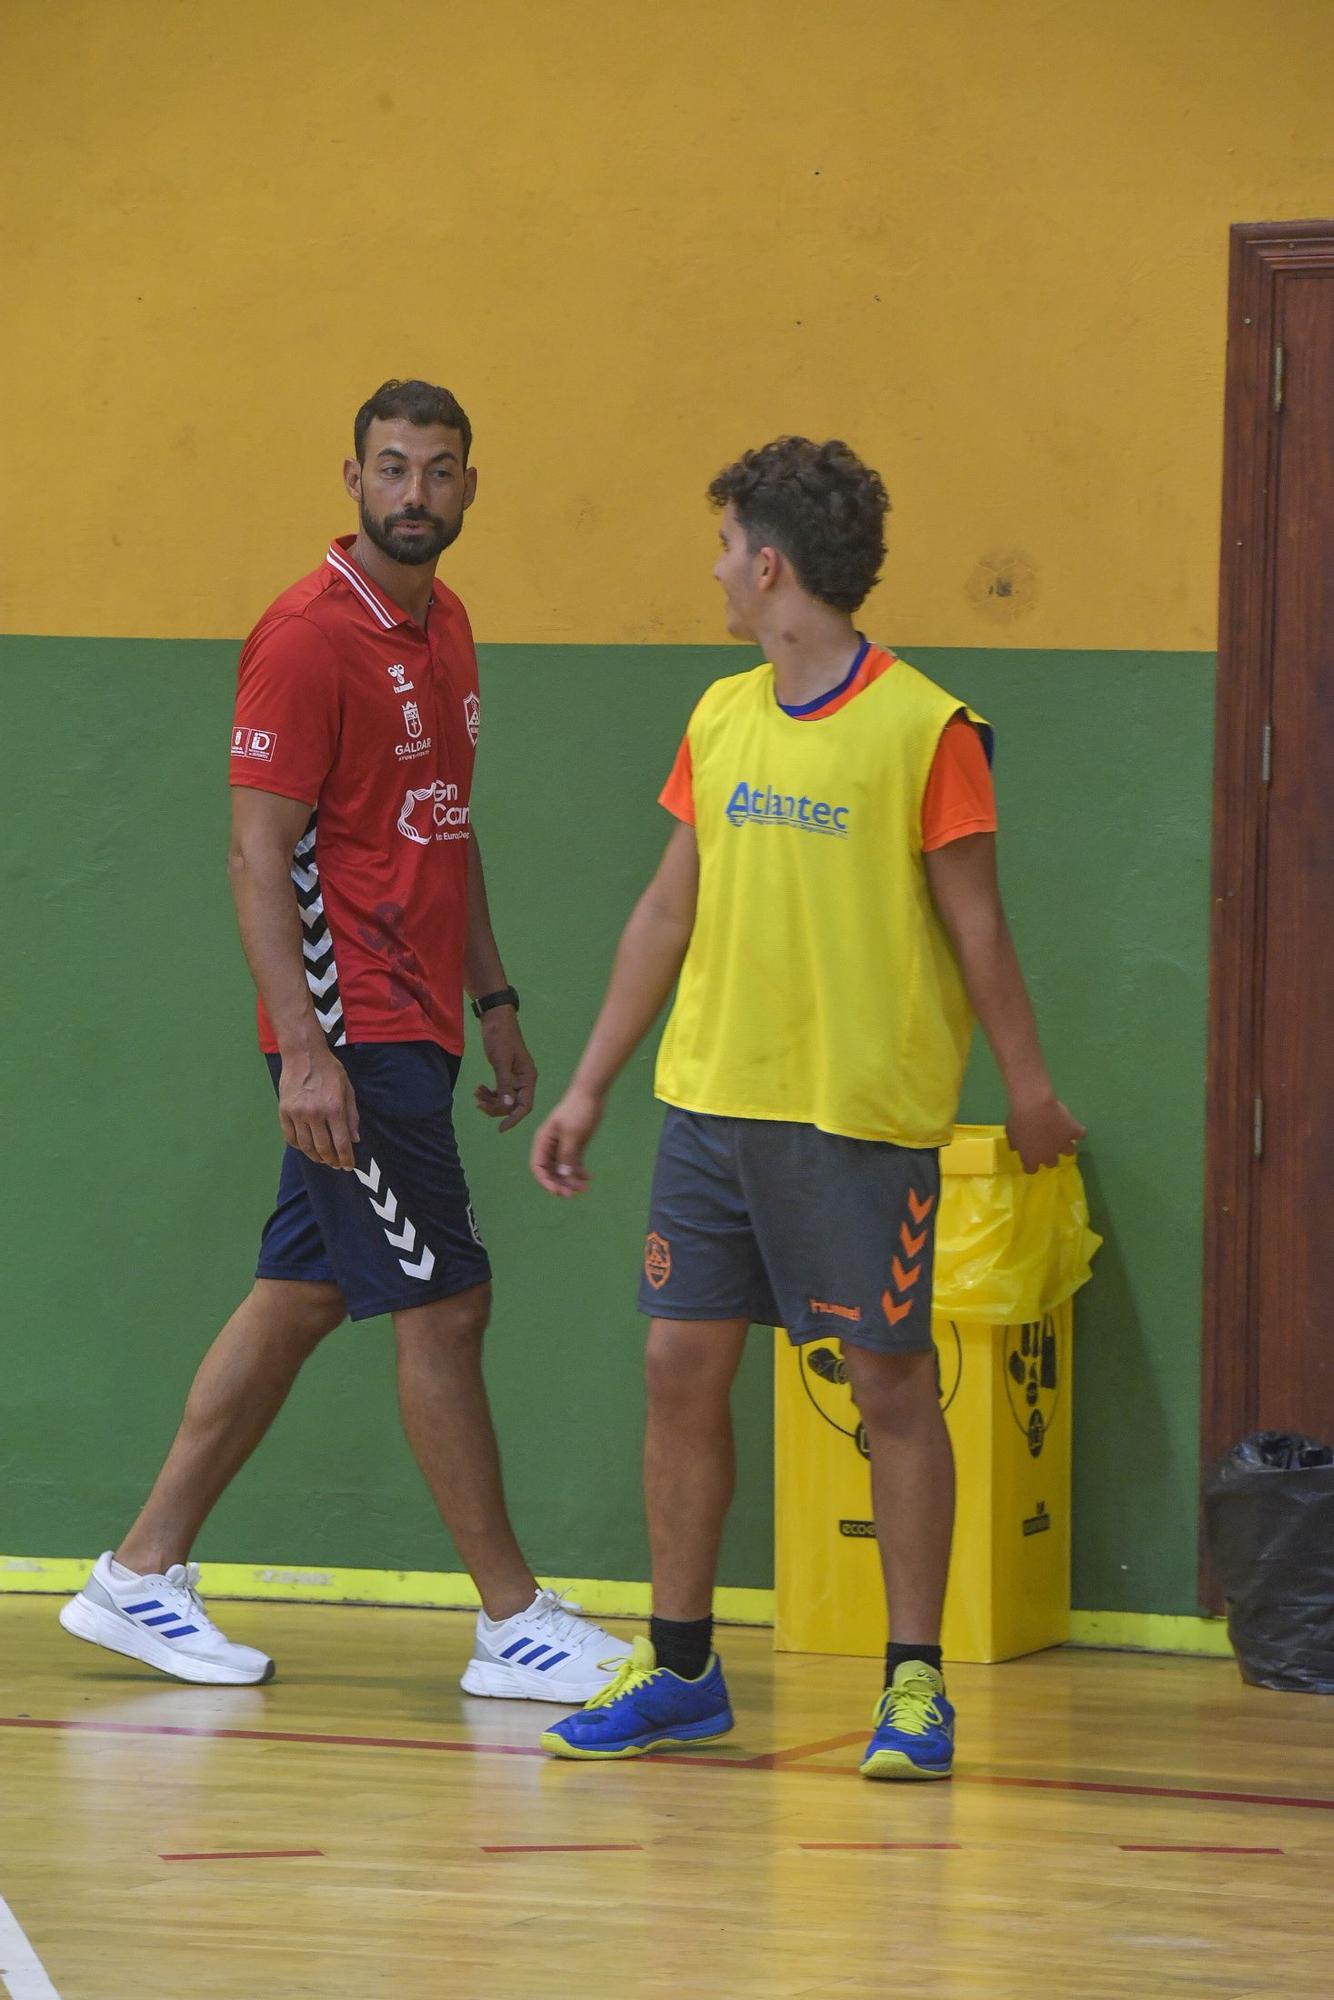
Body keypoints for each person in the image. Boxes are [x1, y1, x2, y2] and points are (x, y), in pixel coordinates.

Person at [60, 379, 629, 1704]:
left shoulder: (447, 627)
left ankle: (139, 1577)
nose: (414, 492)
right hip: (351, 1029)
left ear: (469, 487)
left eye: (438, 470)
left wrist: (494, 1005)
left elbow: (444, 824)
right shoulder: (306, 638)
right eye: (391, 468)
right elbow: (257, 854)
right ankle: (510, 1620)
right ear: (353, 478)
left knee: (307, 1291)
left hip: (420, 1019)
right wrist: (306, 1052)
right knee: (445, 1302)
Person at [529, 436, 1084, 1776]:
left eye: (724, 547)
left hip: (854, 1123)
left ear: (768, 563)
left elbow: (980, 933)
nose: (716, 572)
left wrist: (1028, 1093)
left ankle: (912, 1687)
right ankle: (679, 1671)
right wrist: (591, 1082)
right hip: (710, 1108)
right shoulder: (718, 717)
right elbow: (669, 911)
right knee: (678, 1368)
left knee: (887, 1385)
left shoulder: (926, 728)